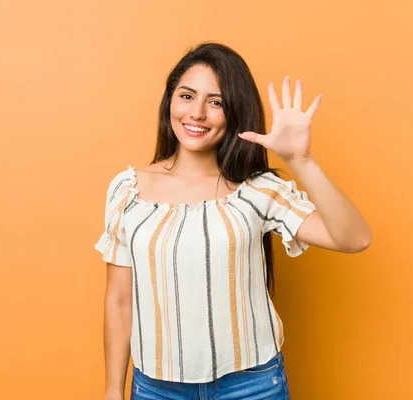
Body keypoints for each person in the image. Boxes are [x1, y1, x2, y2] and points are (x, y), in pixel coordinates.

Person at [96, 42, 371, 400]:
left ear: (234, 113)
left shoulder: (258, 190)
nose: (197, 113)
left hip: (252, 386)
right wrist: (112, 391)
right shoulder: (128, 191)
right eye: (187, 96)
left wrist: (301, 159)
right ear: (169, 103)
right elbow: (119, 300)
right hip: (156, 389)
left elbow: (354, 238)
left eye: (216, 102)